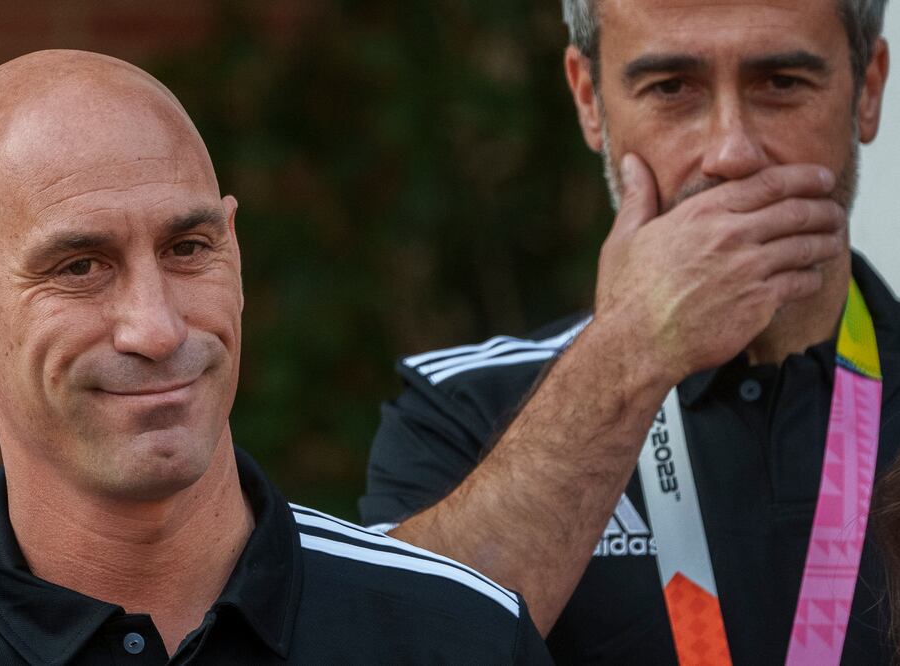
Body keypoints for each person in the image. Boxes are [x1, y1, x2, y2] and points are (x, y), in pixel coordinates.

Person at [0, 50, 551, 664]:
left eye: (186, 248)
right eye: (80, 267)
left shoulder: (462, 635)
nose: (156, 330)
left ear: (234, 255)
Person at [360, 0, 898, 663]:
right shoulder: (460, 407)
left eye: (780, 83)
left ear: (867, 90)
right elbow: (396, 644)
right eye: (671, 88)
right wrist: (630, 351)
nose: (729, 152)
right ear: (589, 101)